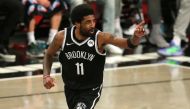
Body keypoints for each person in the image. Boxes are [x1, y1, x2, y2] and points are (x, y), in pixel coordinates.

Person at [43, 4, 145, 109]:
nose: (92, 25)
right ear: (77, 24)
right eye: (88, 22)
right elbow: (48, 54)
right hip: (70, 88)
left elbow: (128, 43)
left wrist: (136, 36)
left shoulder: (100, 37)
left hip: (91, 89)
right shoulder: (61, 37)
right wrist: (46, 76)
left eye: (93, 21)